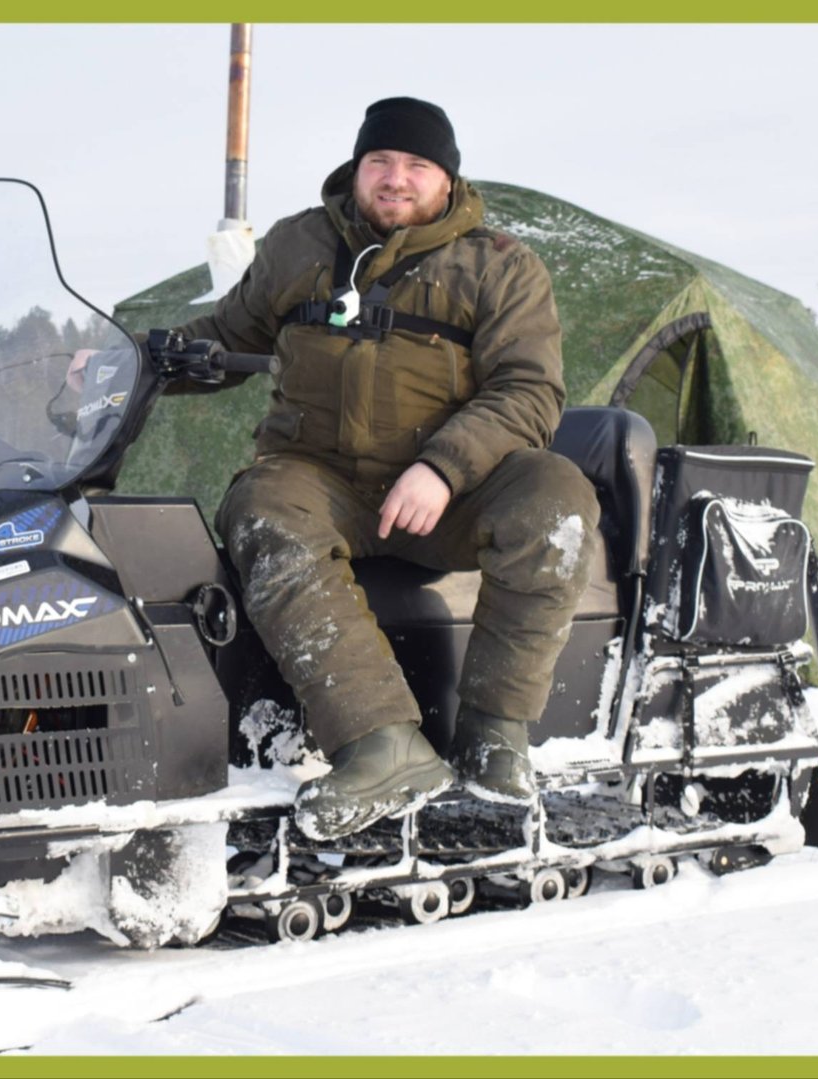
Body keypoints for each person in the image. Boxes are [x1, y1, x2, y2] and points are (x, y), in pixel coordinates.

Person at [167, 97, 601, 840]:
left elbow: (530, 392)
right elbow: (225, 335)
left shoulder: (500, 265)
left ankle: (495, 734)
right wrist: (127, 359)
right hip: (322, 479)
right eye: (381, 161)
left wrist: (443, 468)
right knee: (261, 509)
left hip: (452, 493)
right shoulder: (298, 244)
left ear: (447, 179)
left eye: (416, 165)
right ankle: (382, 743)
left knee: (556, 497)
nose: (396, 178)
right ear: (358, 167)